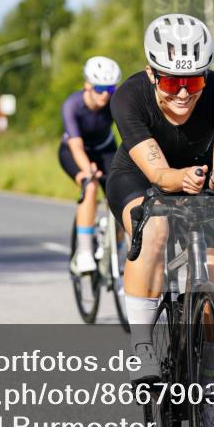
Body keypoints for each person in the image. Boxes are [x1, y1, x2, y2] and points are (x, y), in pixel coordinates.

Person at [107, 14, 214, 379]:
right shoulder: (129, 97)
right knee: (155, 230)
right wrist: (177, 179)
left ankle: (213, 364)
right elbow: (159, 174)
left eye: (194, 80)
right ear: (152, 73)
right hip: (139, 178)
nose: (183, 93)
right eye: (171, 81)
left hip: (199, 180)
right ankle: (141, 347)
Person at [59, 56, 122, 274]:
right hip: (74, 150)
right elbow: (76, 146)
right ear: (88, 85)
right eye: (100, 88)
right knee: (90, 184)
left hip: (105, 150)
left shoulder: (114, 103)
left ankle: (117, 250)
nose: (105, 94)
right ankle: (84, 252)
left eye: (111, 89)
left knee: (122, 194)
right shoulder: (72, 105)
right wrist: (87, 169)